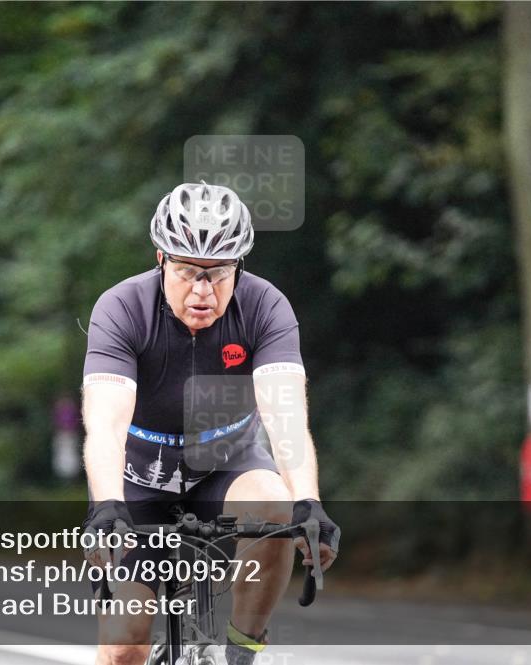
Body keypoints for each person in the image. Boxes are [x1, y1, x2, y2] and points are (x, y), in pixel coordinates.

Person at [81, 182, 340, 665]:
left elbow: (284, 412)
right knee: (124, 644)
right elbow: (106, 423)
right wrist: (107, 506)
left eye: (219, 273)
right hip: (141, 481)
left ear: (239, 265)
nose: (203, 290)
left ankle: (243, 648)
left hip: (228, 467)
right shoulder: (121, 309)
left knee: (275, 500)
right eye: (186, 271)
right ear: (160, 258)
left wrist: (310, 501)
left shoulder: (265, 306)